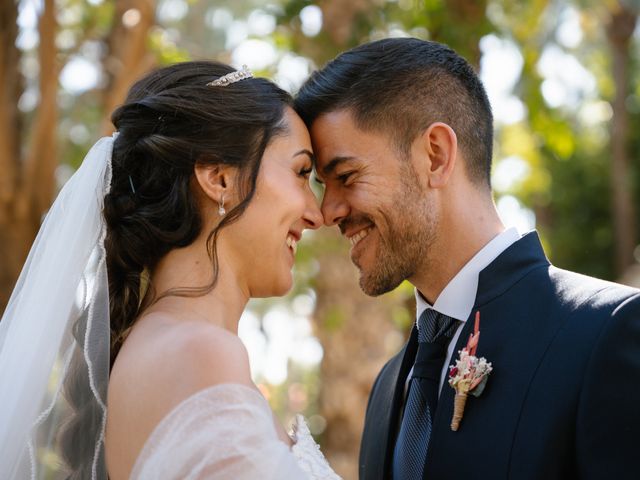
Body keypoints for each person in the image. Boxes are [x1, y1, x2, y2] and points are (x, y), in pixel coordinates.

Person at [295, 37, 640, 480]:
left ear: (435, 155)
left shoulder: (607, 334)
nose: (329, 213)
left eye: (346, 176)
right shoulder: (388, 386)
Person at [0, 61, 341, 480]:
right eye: (301, 172)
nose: (316, 214)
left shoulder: (164, 348)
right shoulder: (198, 353)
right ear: (219, 179)